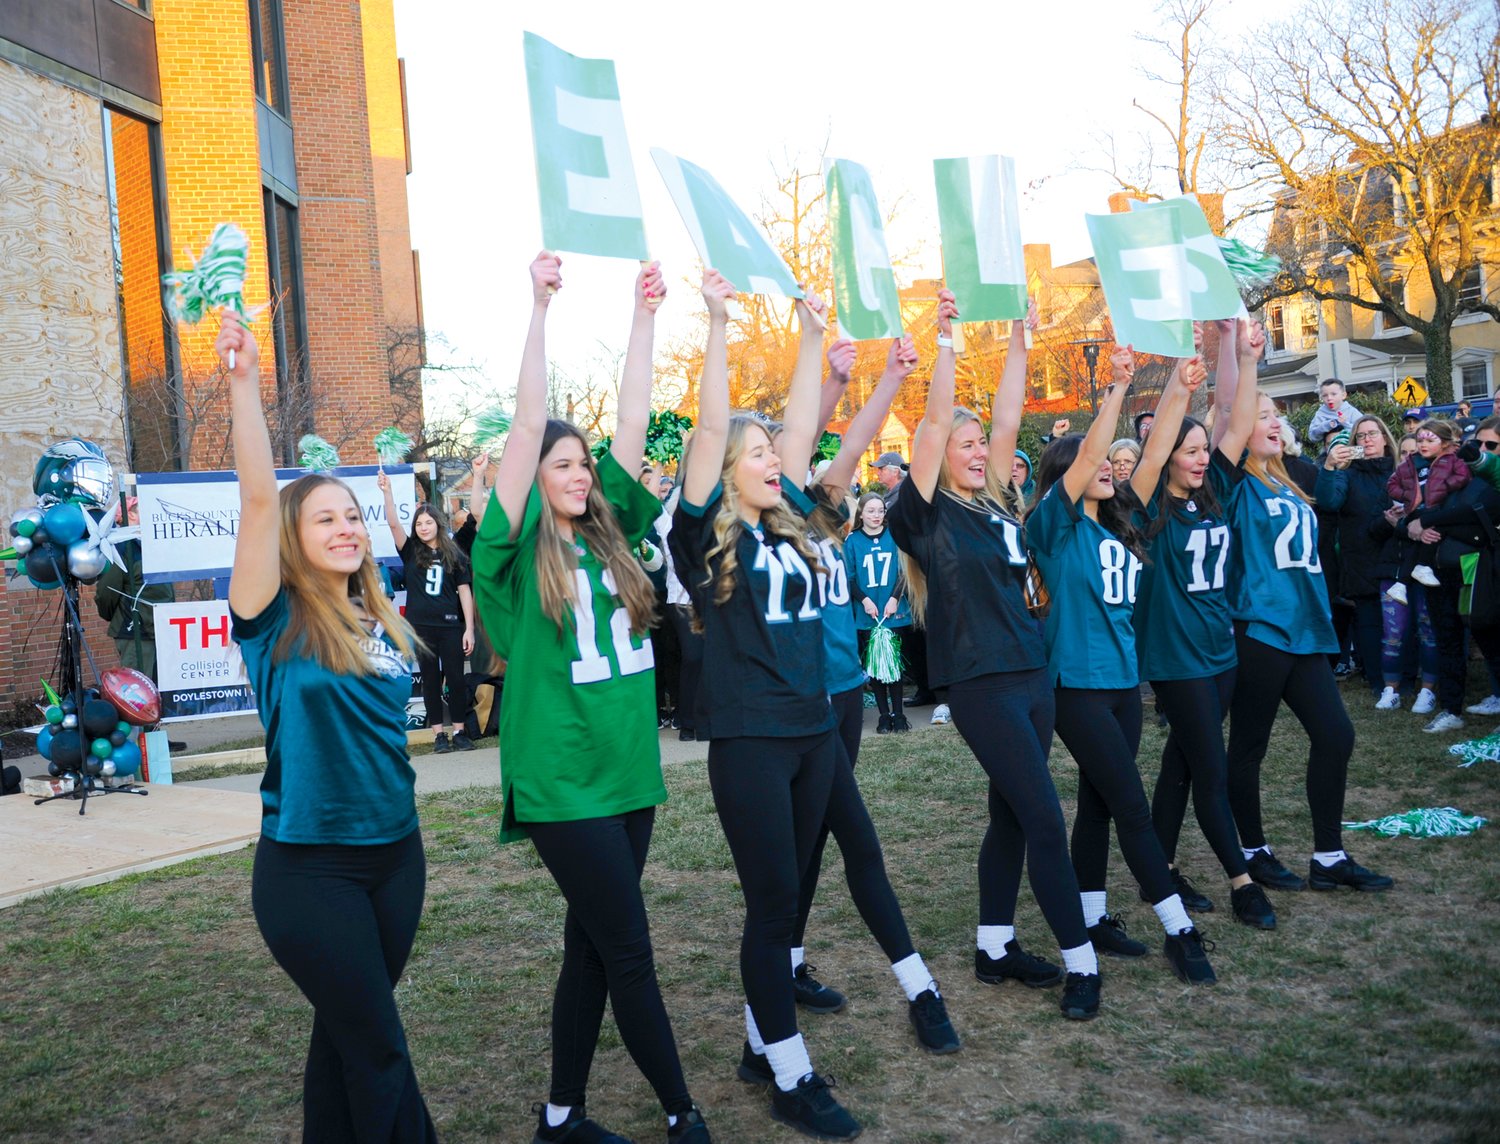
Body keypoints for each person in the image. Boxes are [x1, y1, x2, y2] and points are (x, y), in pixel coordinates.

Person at [469, 254, 711, 1144]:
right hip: (563, 782)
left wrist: (643, 316)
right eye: (559, 464)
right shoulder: (508, 555)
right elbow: (531, 420)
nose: (575, 473)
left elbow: (638, 419)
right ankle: (684, 1115)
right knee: (631, 952)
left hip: (627, 776)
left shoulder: (611, 537)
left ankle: (560, 1116)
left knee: (591, 949)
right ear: (531, 476)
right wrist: (537, 308)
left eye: (581, 464)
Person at [220, 312, 437, 1142]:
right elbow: (252, 501)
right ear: (294, 539)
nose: (346, 527)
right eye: (325, 519)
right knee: (381, 1052)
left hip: (396, 858)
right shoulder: (272, 618)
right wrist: (245, 383)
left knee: (344, 1040)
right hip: (310, 871)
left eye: (353, 516)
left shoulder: (377, 619)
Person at [668, 270, 858, 1140]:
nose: (774, 462)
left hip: (816, 731)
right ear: (719, 473)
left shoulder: (792, 525)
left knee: (793, 901)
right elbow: (714, 425)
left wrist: (812, 331)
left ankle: (758, 1040)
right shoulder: (706, 538)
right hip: (751, 741)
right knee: (772, 904)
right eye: (757, 455)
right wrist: (715, 321)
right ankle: (789, 1073)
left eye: (773, 454)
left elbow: (802, 425)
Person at [889, 288, 1103, 1022]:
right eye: (966, 443)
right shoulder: (923, 514)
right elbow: (934, 423)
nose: (981, 450)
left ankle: (994, 946)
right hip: (981, 684)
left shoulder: (999, 501)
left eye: (985, 445)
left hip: (1032, 673)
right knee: (1046, 819)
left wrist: (1019, 340)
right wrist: (945, 340)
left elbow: (1009, 416)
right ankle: (1084, 965)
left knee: (1011, 816)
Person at [769, 332, 960, 1063]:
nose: (835, 478)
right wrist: (823, 375)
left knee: (816, 840)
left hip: (845, 695)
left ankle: (787, 964)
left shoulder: (825, 521)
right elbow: (801, 442)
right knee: (851, 842)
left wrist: (878, 380)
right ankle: (919, 987)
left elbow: (845, 448)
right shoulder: (764, 526)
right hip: (801, 708)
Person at [1027, 347, 1219, 983]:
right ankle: (1177, 929)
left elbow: (1159, 449)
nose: (1110, 467)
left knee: (1101, 804)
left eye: (1114, 461)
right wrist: (1116, 385)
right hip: (1076, 689)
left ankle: (1092, 914)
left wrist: (1180, 391)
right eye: (1100, 463)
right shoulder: (1054, 528)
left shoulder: (1121, 522)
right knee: (1133, 806)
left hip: (1122, 687)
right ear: (1068, 474)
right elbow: (1086, 457)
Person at [1210, 317, 1393, 894]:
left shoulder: (1295, 476)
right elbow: (1225, 410)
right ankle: (1253, 849)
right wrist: (1242, 356)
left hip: (1308, 629)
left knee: (1336, 735)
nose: (1270, 422)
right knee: (1249, 746)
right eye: (1260, 415)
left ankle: (1329, 857)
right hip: (1261, 626)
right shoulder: (1235, 480)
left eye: (1274, 415)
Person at [1132, 330, 1277, 932]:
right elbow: (1157, 443)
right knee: (1210, 772)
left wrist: (1243, 359)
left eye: (1201, 451)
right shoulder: (1144, 506)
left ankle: (1157, 868)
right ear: (1167, 456)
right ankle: (1242, 882)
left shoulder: (1213, 490)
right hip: (1178, 660)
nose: (1198, 458)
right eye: (1187, 450)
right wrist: (1178, 386)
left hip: (1222, 654)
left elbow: (1237, 428)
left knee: (1182, 766)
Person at [1314, 416, 1409, 705]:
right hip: (1360, 554)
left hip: (1397, 551)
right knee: (1369, 620)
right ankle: (1378, 681)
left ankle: (1406, 678)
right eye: (1360, 436)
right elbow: (1329, 502)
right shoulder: (1347, 472)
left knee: (1404, 620)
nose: (1366, 440)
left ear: (1384, 437)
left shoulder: (1400, 469)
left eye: (1372, 434)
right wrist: (1330, 467)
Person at [378, 477, 476, 752]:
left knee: (455, 679)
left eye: (428, 522)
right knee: (430, 680)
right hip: (421, 628)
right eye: (419, 524)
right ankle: (438, 736)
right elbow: (394, 524)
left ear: (437, 524)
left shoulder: (453, 553)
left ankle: (458, 731)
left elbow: (465, 591)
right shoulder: (410, 551)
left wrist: (469, 628)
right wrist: (387, 493)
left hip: (450, 626)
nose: (423, 527)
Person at [1384, 419, 1470, 605]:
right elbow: (1392, 484)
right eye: (1420, 440)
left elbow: (1463, 476)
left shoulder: (1451, 460)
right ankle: (1410, 576)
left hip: (1440, 511)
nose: (1423, 445)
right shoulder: (1410, 463)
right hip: (1418, 510)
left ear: (1445, 443)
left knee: (1427, 536)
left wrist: (1443, 487)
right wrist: (1409, 495)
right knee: (1420, 538)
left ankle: (1409, 577)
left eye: (1430, 441)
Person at [845, 492, 911, 733]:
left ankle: (899, 715)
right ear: (861, 513)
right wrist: (863, 600)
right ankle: (884, 715)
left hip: (892, 611)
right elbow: (849, 577)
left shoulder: (894, 537)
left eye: (880, 510)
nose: (876, 515)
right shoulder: (852, 541)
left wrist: (895, 598)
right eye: (870, 510)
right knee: (875, 666)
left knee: (894, 665)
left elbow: (905, 572)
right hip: (868, 614)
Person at [95, 496, 176, 680]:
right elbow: (106, 594)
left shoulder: (154, 545)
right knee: (139, 690)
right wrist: (122, 617)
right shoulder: (121, 549)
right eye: (146, 512)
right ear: (131, 515)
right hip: (136, 634)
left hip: (161, 631)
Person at [1308, 377, 1360, 444]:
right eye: (1325, 395)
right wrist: (1327, 425)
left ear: (1343, 395)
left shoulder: (1351, 412)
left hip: (1351, 448)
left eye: (1333, 394)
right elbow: (1312, 437)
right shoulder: (1320, 414)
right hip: (1330, 450)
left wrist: (1345, 424)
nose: (1329, 398)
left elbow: (1361, 432)